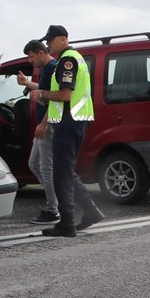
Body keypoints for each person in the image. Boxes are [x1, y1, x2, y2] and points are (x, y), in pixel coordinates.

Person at [28, 25, 103, 237]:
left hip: (69, 122)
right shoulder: (70, 58)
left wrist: (42, 94)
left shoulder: (67, 60)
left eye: (50, 40)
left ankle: (67, 223)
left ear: (63, 39)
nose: (48, 43)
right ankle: (90, 211)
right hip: (73, 121)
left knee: (61, 173)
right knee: (65, 171)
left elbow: (65, 95)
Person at [17, 39, 60, 225]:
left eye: (31, 56)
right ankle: (57, 200)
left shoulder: (52, 67)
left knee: (45, 167)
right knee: (33, 163)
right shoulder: (45, 69)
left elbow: (56, 99)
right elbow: (44, 90)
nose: (30, 60)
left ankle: (53, 210)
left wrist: (44, 124)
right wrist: (27, 83)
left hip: (47, 126)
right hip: (42, 126)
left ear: (40, 53)